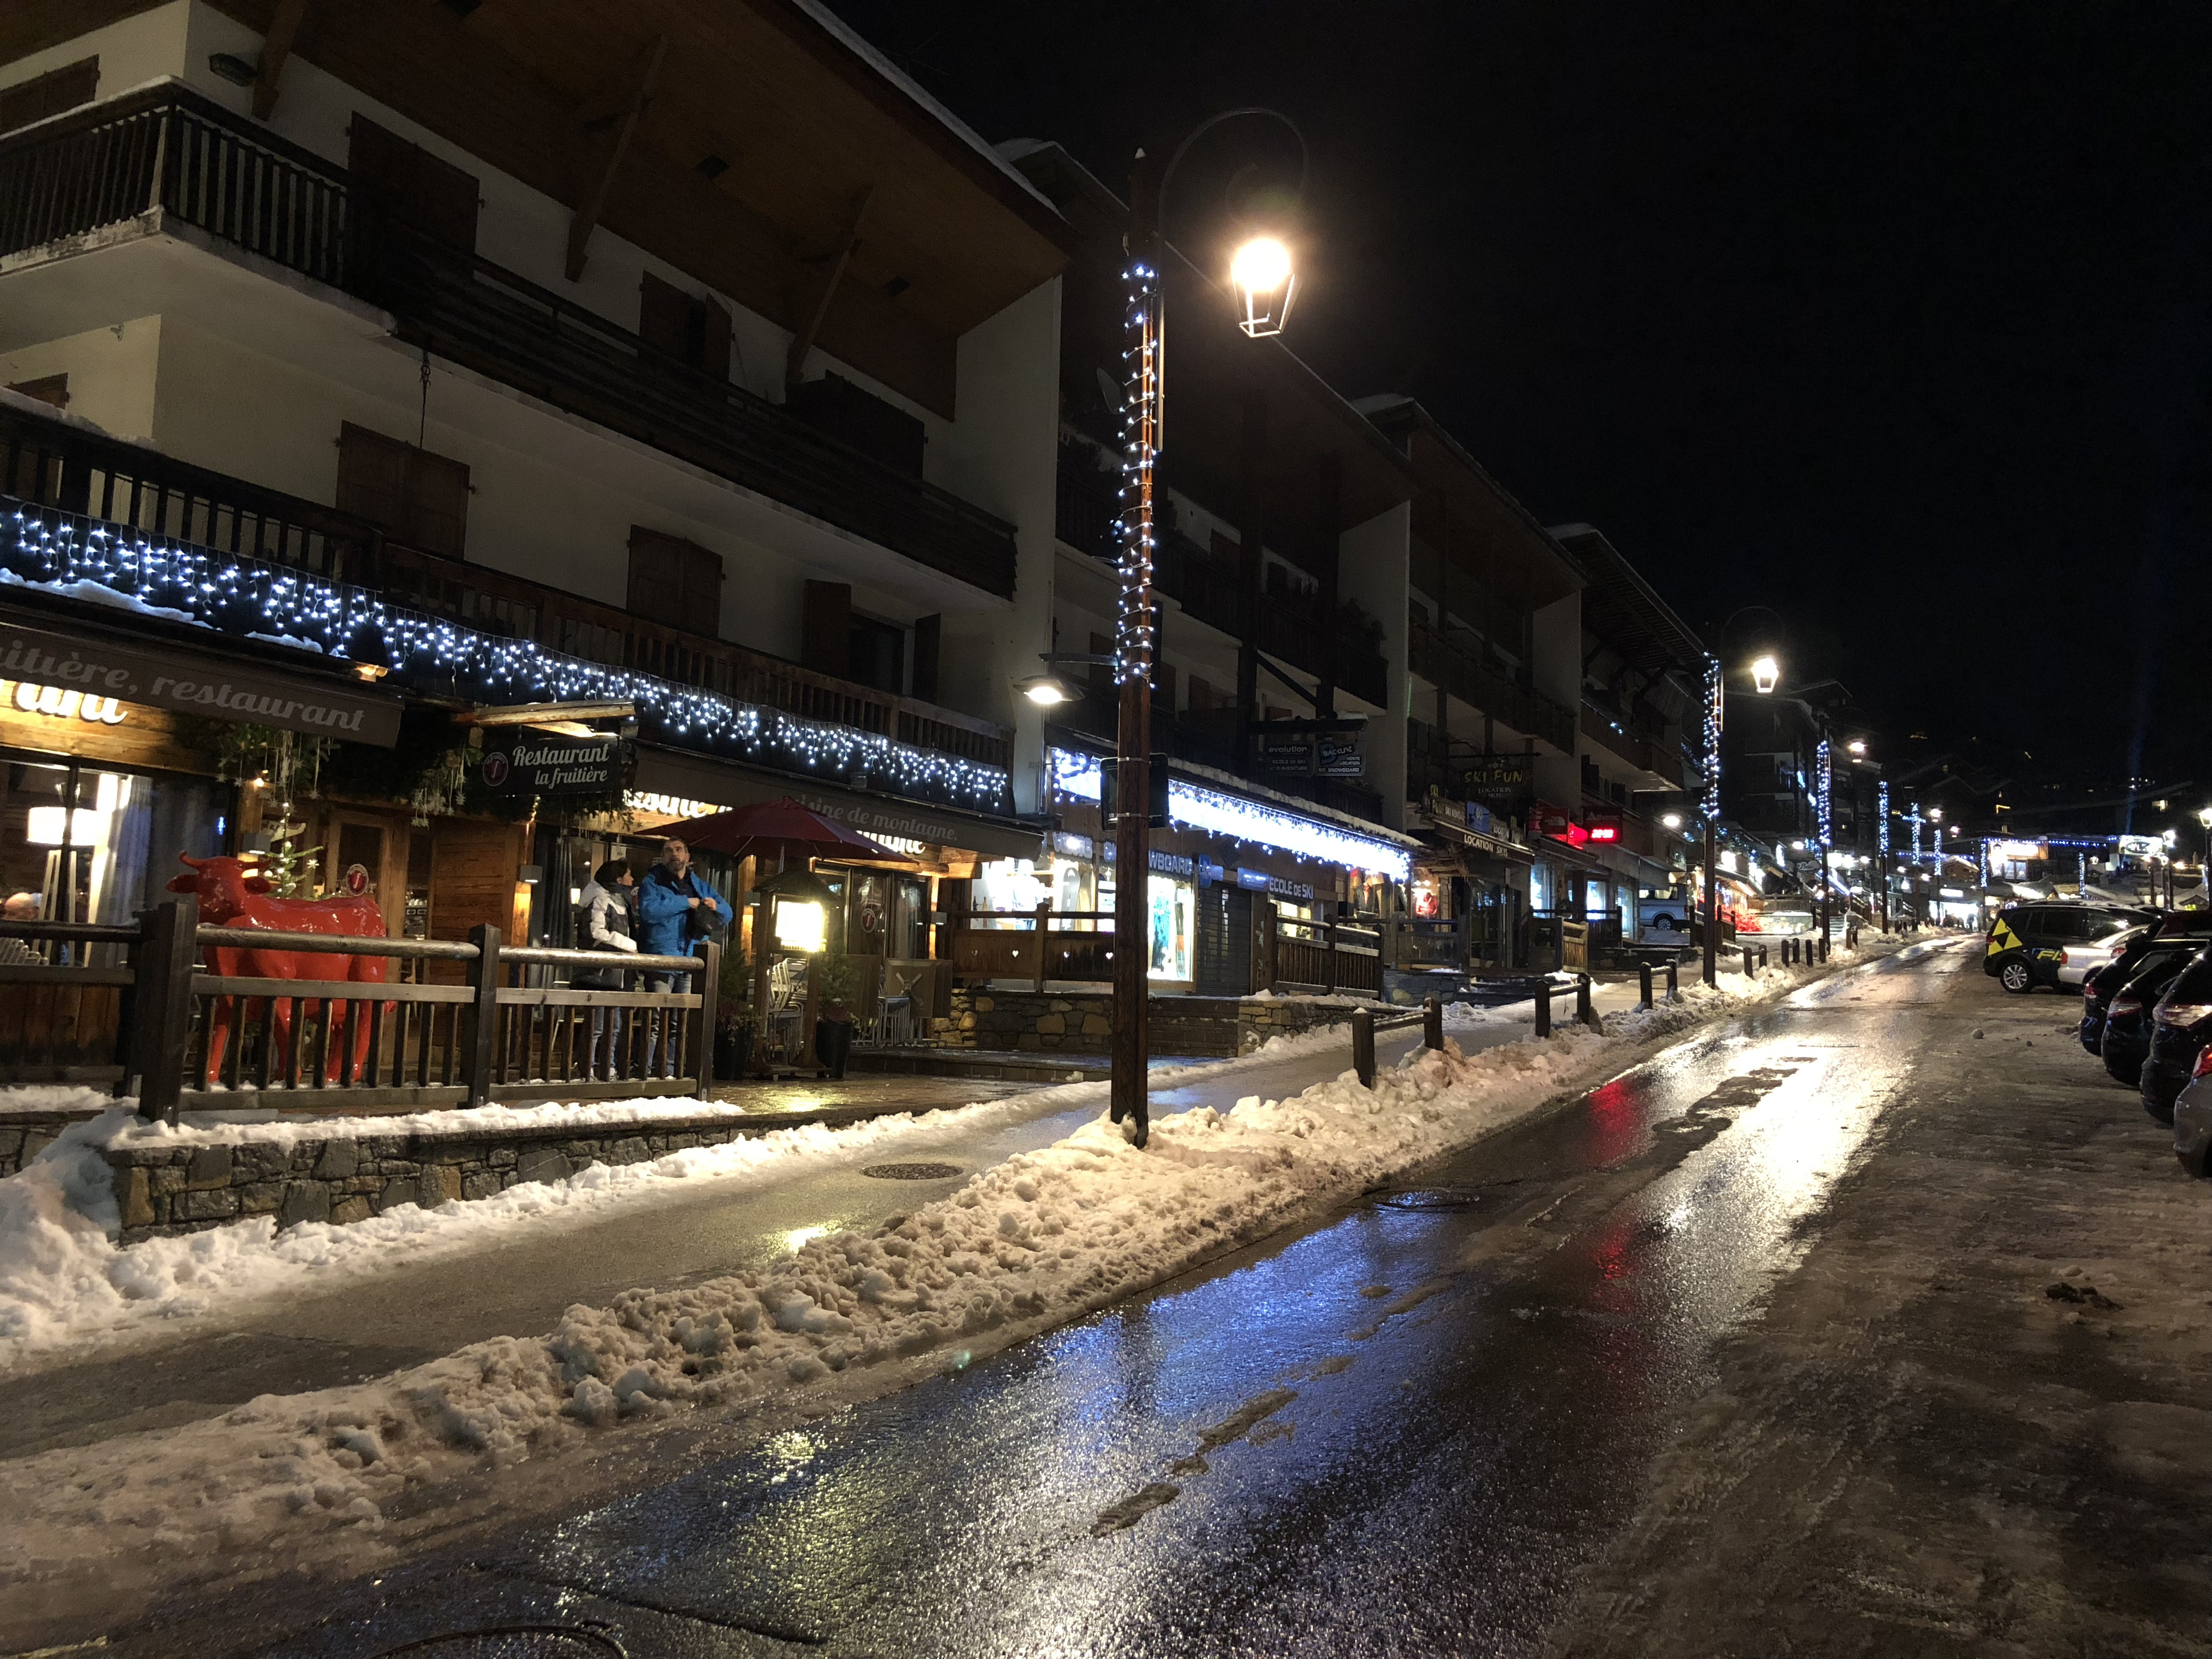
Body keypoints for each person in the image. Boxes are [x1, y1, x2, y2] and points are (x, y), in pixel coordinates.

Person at [635, 837, 733, 1077]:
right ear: (663, 857)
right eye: (669, 851)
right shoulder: (652, 883)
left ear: (688, 857)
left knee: (681, 1022)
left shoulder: (699, 885)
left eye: (679, 850)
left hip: (690, 960)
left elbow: (728, 913)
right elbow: (649, 911)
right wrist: (685, 902)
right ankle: (644, 1073)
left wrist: (715, 906)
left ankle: (671, 1072)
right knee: (655, 1019)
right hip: (661, 958)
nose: (674, 854)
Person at [574, 860, 638, 1081]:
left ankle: (607, 1068)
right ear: (619, 879)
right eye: (629, 875)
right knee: (598, 1025)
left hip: (616, 975)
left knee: (615, 1026)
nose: (632, 880)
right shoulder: (600, 901)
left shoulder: (620, 903)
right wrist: (630, 946)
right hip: (600, 975)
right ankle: (587, 1069)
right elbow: (596, 933)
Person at [0, 891, 41, 966]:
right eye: (5, 913)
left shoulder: (41, 939)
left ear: (29, 914)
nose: (6, 918)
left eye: (12, 914)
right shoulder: (5, 938)